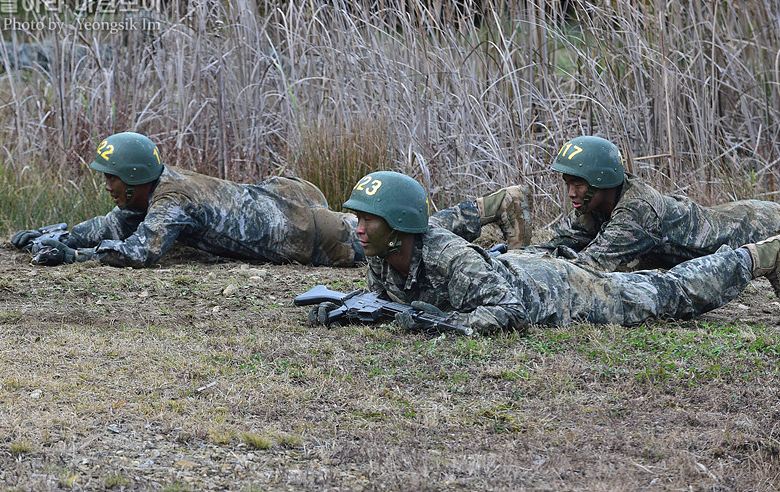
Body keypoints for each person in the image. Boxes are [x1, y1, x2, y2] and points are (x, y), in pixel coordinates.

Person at [307, 170, 780, 335]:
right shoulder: (380, 254)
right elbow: (394, 302)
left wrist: (450, 324)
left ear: (401, 225)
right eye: (359, 218)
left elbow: (508, 310)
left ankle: (758, 258)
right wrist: (353, 311)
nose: (359, 229)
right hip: (525, 269)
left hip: (557, 291)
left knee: (666, 295)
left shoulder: (451, 257)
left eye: (368, 219)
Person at [10, 132, 530, 268]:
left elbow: (140, 251)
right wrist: (55, 235)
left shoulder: (170, 199)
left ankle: (492, 206)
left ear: (134, 177)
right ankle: (488, 216)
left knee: (403, 233)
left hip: (297, 232)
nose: (107, 185)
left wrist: (71, 255)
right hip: (280, 203)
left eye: (111, 178)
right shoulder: (154, 188)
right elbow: (114, 223)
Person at [530, 135, 780, 273]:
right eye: (568, 184)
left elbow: (590, 267)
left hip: (756, 224)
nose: (571, 193)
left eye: (578, 184)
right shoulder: (593, 202)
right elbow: (556, 244)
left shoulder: (637, 209)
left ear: (601, 180)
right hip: (732, 215)